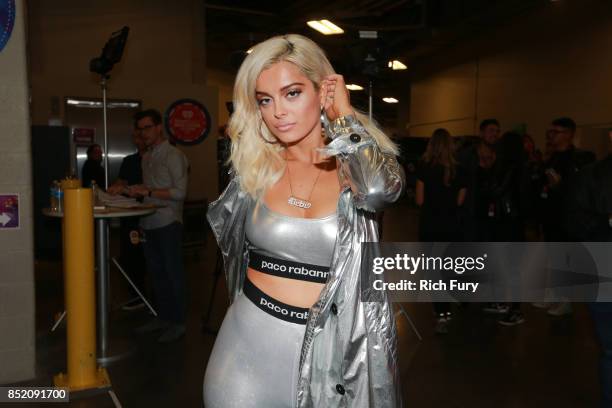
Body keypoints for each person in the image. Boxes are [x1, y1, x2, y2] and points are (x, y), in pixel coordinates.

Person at [203, 34, 404, 408]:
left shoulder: (356, 166)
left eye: (292, 93)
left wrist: (342, 119)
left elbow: (380, 191)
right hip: (246, 343)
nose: (278, 111)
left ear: (321, 91)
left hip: (333, 356)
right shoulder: (254, 169)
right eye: (265, 99)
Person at [127, 109, 189, 343]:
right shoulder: (147, 156)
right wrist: (135, 190)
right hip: (149, 222)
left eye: (147, 127)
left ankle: (179, 322)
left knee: (173, 274)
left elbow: (180, 193)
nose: (143, 133)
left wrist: (148, 191)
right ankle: (163, 317)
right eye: (140, 129)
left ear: (159, 127)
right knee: (156, 274)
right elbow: (149, 189)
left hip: (167, 223)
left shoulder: (173, 155)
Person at [540, 117, 595, 316]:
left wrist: (560, 185)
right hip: (551, 216)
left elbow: (579, 191)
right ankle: (554, 295)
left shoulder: (578, 159)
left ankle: (565, 300)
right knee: (553, 258)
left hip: (568, 219)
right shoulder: (552, 157)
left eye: (557, 132)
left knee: (565, 260)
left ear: (569, 134)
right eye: (551, 131)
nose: (552, 136)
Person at [415, 128, 466, 334]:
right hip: (452, 225)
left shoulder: (424, 167)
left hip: (430, 225)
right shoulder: (459, 169)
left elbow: (419, 200)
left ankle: (442, 315)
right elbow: (460, 200)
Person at [108, 129, 147, 310]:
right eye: (136, 136)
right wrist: (117, 187)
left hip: (147, 213)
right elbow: (121, 181)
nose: (139, 139)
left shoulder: (155, 159)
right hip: (129, 214)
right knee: (130, 255)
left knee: (145, 257)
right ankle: (135, 294)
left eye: (141, 135)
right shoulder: (129, 161)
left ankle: (146, 295)